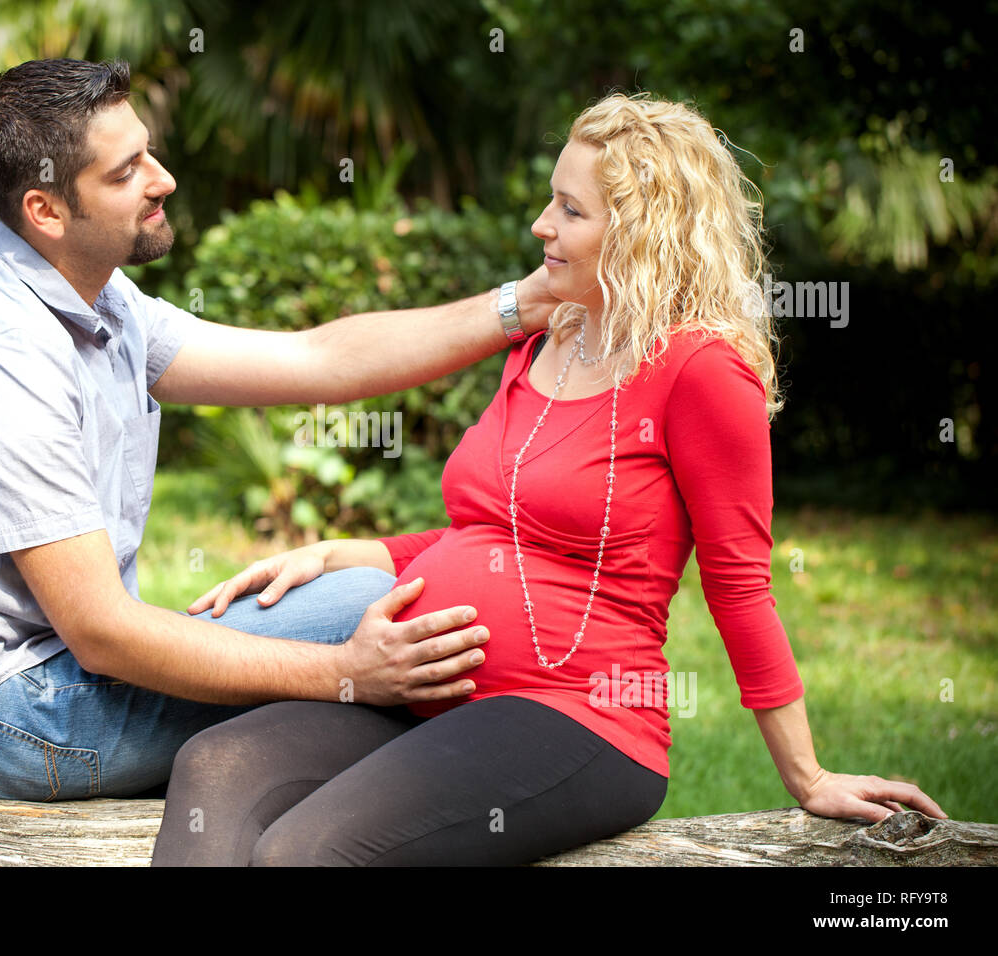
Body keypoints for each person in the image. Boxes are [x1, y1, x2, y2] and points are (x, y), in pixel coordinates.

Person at [150, 92, 949, 866]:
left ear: (642, 231)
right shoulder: (547, 340)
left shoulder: (702, 370)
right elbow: (492, 531)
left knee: (305, 850)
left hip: (581, 716)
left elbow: (741, 587)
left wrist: (807, 776)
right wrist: (343, 552)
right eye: (550, 201)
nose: (542, 225)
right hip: (432, 700)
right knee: (216, 764)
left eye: (571, 209)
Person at [0, 58, 560, 801]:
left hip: (53, 678)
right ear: (45, 211)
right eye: (126, 173)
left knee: (381, 608)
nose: (163, 180)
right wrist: (345, 672)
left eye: (147, 151)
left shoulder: (100, 299)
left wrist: (524, 303)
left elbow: (316, 359)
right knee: (384, 610)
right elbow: (101, 631)